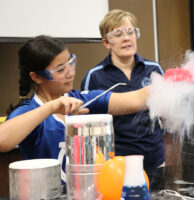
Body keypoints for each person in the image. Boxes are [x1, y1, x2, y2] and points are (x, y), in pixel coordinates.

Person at [0, 35, 149, 183]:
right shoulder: (31, 110)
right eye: (60, 70)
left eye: (71, 62)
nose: (70, 72)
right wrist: (50, 107)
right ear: (37, 77)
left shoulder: (81, 101)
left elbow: (136, 99)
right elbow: (2, 140)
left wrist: (168, 83)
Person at [81, 9, 165, 176]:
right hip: (116, 166)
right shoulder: (95, 75)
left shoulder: (154, 69)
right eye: (118, 34)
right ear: (106, 43)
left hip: (155, 160)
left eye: (130, 31)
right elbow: (87, 126)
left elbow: (166, 111)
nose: (127, 38)